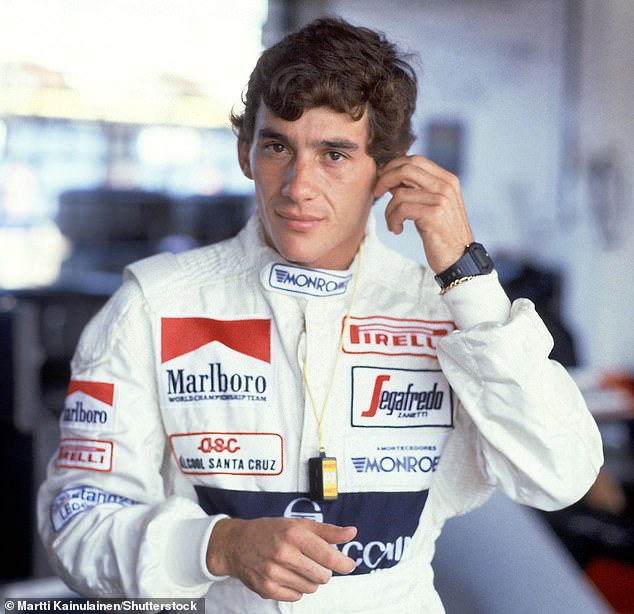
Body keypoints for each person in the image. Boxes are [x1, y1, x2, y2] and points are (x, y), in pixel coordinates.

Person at [38, 17, 603, 613]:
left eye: (334, 153)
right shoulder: (153, 305)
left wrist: (469, 278)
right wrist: (217, 545)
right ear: (245, 153)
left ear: (388, 171)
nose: (298, 186)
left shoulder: (448, 315)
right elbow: (74, 520)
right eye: (278, 146)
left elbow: (561, 476)